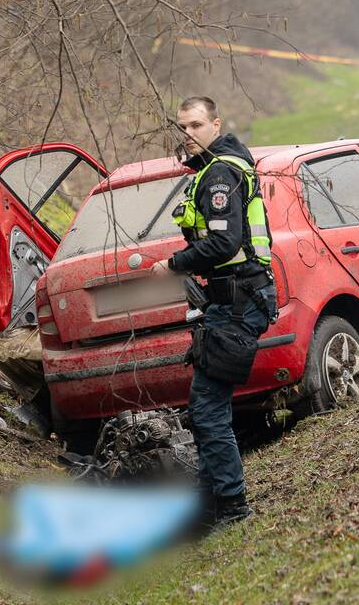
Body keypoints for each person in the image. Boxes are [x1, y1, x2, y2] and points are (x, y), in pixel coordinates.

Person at [150, 96, 277, 527]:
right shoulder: (213, 169)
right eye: (182, 127)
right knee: (206, 407)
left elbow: (225, 243)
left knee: (207, 411)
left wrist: (173, 264)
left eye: (196, 125)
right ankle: (209, 510)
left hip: (241, 302)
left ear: (215, 124)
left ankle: (232, 507)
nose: (187, 135)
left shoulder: (221, 173)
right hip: (230, 302)